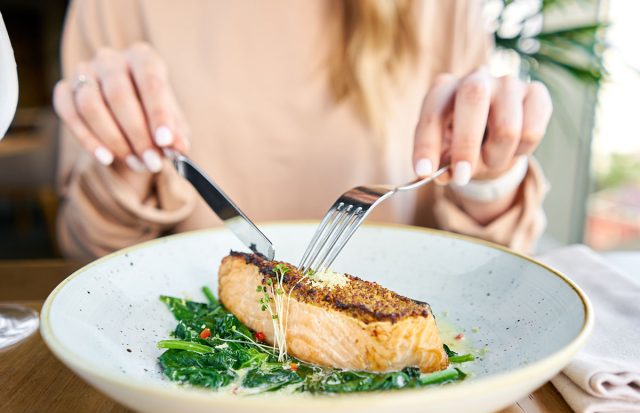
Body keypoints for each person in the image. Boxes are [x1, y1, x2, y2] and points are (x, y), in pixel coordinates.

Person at [53, 0, 551, 260]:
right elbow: (86, 253)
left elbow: (492, 269)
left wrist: (490, 175)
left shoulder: (443, 9)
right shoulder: (112, 6)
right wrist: (123, 161)